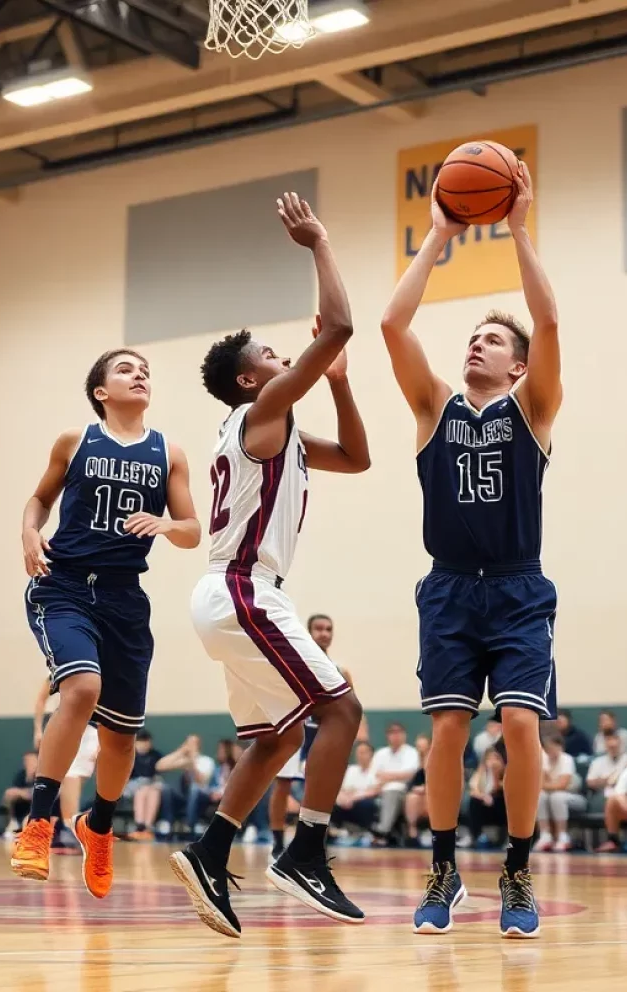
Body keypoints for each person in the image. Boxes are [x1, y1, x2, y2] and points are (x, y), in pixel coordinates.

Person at [171, 192, 369, 939]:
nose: (284, 358)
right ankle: (306, 851)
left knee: (277, 738)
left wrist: (343, 382)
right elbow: (342, 323)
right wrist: (320, 243)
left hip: (232, 595)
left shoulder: (273, 429)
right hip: (242, 590)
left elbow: (356, 458)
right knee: (343, 709)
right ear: (253, 382)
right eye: (272, 358)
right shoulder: (259, 418)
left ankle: (209, 848)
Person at [381, 163, 560, 938]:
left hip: (518, 588)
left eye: (491, 339)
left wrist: (518, 226)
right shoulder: (433, 408)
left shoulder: (535, 408)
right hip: (450, 586)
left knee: (521, 727)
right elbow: (392, 326)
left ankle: (517, 873)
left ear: (517, 365)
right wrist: (441, 236)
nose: (476, 343)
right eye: (473, 336)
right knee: (448, 730)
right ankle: (445, 867)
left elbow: (549, 325)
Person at [13, 349, 200, 896]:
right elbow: (38, 500)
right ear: (101, 391)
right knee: (80, 688)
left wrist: (166, 525)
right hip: (65, 584)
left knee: (120, 739)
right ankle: (39, 822)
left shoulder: (169, 451)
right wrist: (29, 533)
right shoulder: (75, 441)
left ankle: (98, 827)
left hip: (124, 600)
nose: (139, 374)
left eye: (145, 370)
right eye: (125, 369)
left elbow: (192, 530)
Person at [269, 613, 357, 860]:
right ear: (308, 632)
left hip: (323, 734)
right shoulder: (294, 661)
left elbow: (351, 708)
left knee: (320, 786)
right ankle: (277, 843)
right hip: (296, 729)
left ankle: (313, 840)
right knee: (283, 784)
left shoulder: (340, 670)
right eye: (319, 628)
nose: (324, 633)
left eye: (329, 629)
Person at [32, 677, 99, 850]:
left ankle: (61, 827)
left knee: (75, 780)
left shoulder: (101, 670)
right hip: (65, 724)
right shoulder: (60, 667)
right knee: (69, 777)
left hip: (91, 730)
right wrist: (38, 729)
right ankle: (67, 828)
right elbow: (41, 699)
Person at [535, 735, 585, 853]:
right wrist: (546, 783)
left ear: (561, 747)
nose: (551, 750)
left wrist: (546, 784)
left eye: (554, 747)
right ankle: (545, 835)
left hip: (574, 798)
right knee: (540, 796)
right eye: (548, 747)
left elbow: (562, 785)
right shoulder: (543, 759)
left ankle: (563, 836)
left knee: (557, 797)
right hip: (550, 796)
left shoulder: (567, 759)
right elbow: (539, 784)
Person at [468, 747, 507, 848]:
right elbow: (473, 790)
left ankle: (504, 838)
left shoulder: (506, 774)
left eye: (496, 758)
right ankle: (477, 836)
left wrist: (495, 773)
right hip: (485, 806)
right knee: (474, 801)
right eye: (489, 759)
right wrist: (483, 796)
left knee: (499, 799)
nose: (492, 762)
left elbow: (497, 788)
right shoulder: (481, 772)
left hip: (500, 807)